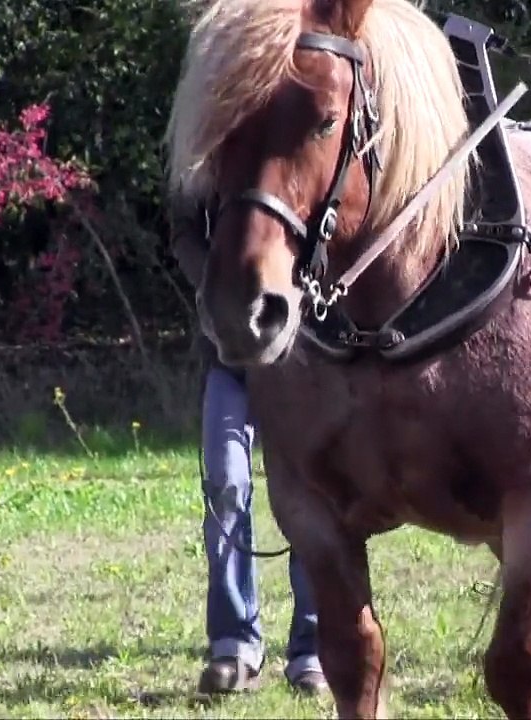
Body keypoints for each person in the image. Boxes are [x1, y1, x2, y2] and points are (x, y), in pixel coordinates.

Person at [169, 195, 328, 696]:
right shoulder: (204, 156)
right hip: (229, 354)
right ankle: (235, 645)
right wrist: (224, 283)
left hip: (301, 350)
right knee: (225, 485)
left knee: (311, 491)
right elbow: (182, 231)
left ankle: (313, 649)